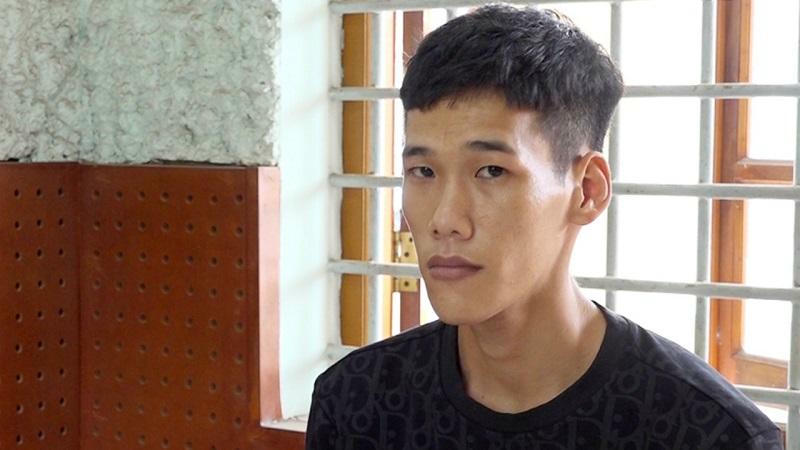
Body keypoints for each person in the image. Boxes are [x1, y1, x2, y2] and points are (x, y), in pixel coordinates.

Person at [306, 4, 783, 449]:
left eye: (491, 171)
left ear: (587, 190)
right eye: (423, 171)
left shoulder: (708, 432)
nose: (444, 220)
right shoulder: (357, 402)